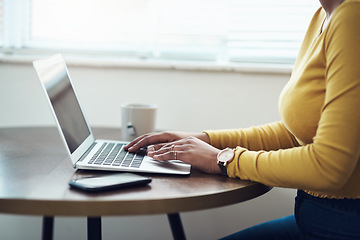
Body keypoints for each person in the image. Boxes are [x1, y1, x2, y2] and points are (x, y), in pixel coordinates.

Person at [125, 0, 360, 239]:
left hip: (344, 223)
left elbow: (330, 166)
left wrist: (223, 160)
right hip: (319, 218)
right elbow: (298, 134)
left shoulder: (352, 18)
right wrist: (205, 140)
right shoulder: (324, 14)